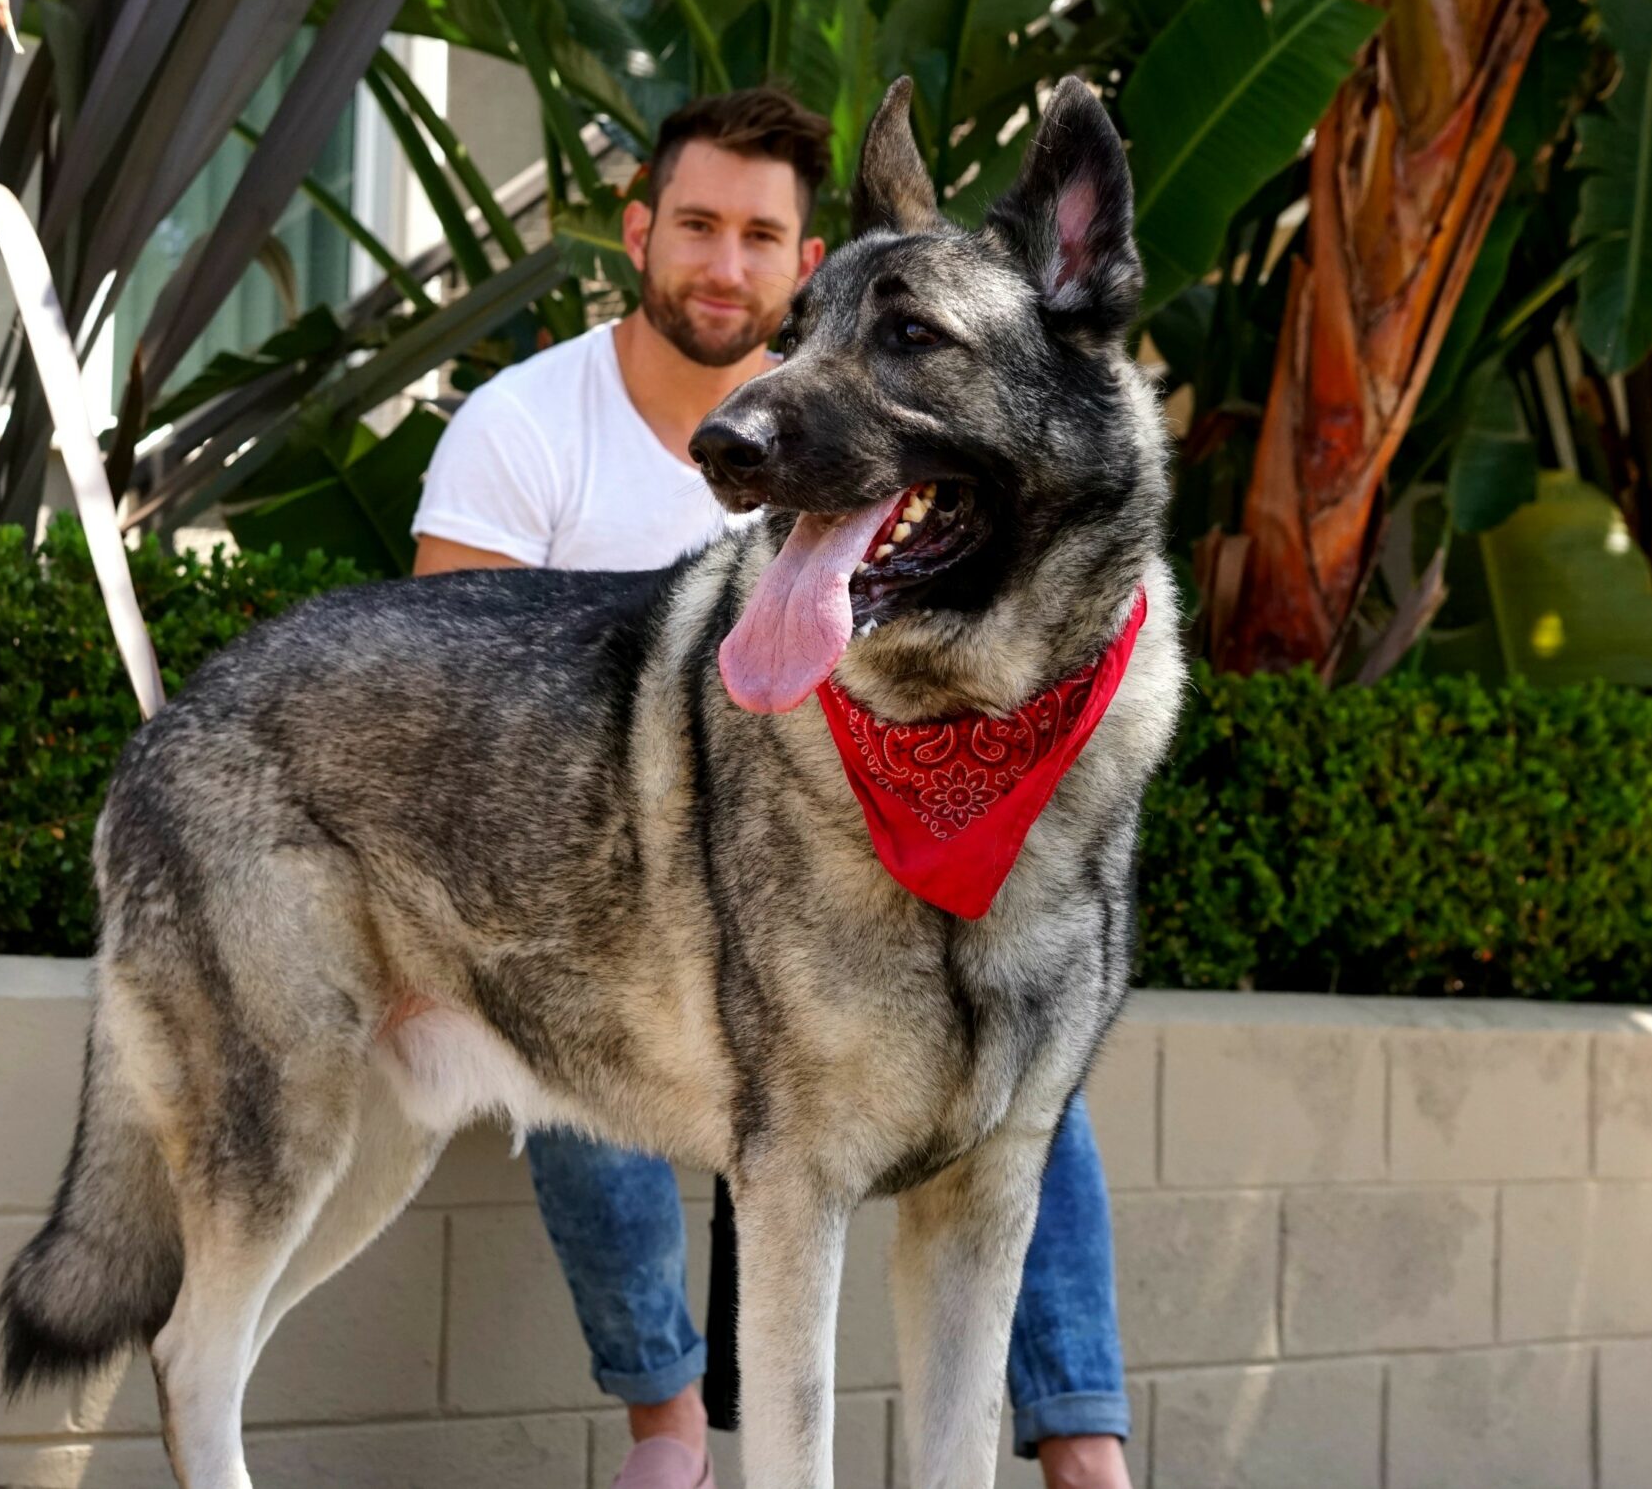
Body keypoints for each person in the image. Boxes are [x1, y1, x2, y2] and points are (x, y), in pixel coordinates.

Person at [411, 87, 1134, 1489]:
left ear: (809, 263)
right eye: (694, 225)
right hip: (631, 862)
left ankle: (1082, 1446)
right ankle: (670, 1434)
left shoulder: (862, 433)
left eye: (759, 235)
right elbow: (461, 705)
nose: (722, 264)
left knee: (1029, 1059)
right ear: (639, 234)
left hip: (898, 883)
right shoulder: (525, 427)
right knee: (575, 995)